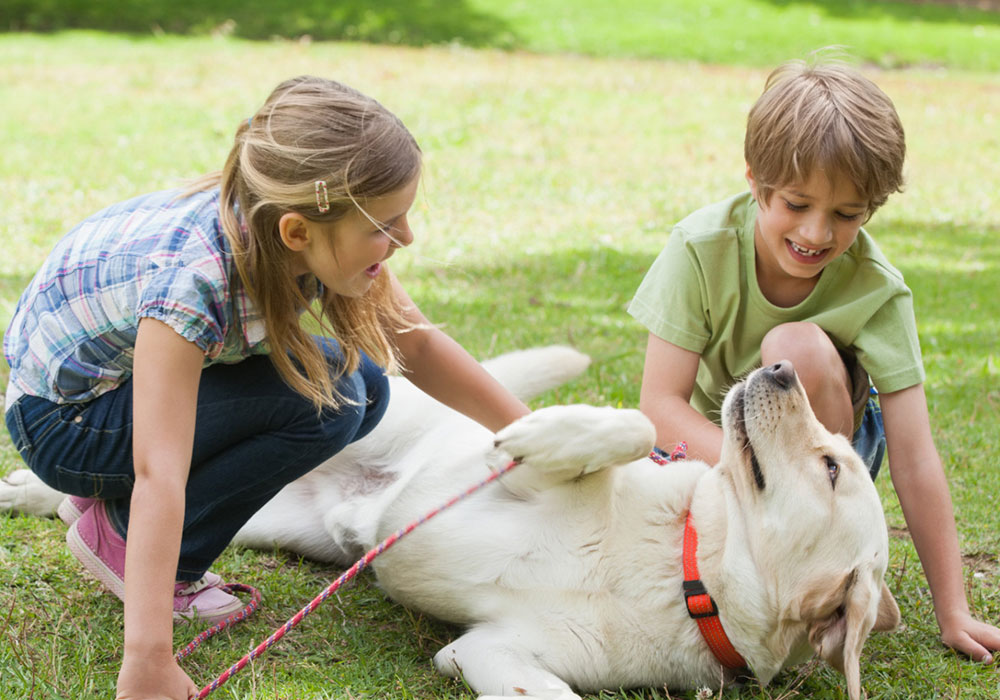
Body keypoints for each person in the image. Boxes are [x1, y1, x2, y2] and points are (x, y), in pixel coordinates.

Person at [3, 75, 530, 700]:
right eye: (385, 225)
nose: (407, 237)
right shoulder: (192, 285)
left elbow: (413, 343)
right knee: (335, 394)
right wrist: (147, 659)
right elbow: (159, 472)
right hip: (66, 426)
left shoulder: (291, 228)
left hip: (110, 399)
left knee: (358, 384)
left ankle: (106, 513)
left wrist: (532, 437)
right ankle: (120, 540)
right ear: (297, 233)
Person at [628, 56, 1000, 664]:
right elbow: (660, 404)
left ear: (871, 210)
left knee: (792, 348)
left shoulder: (877, 289)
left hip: (828, 461)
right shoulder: (699, 248)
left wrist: (952, 610)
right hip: (722, 446)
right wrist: (752, 477)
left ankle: (812, 536)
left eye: (847, 215)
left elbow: (914, 454)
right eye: (797, 204)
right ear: (755, 181)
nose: (817, 233)